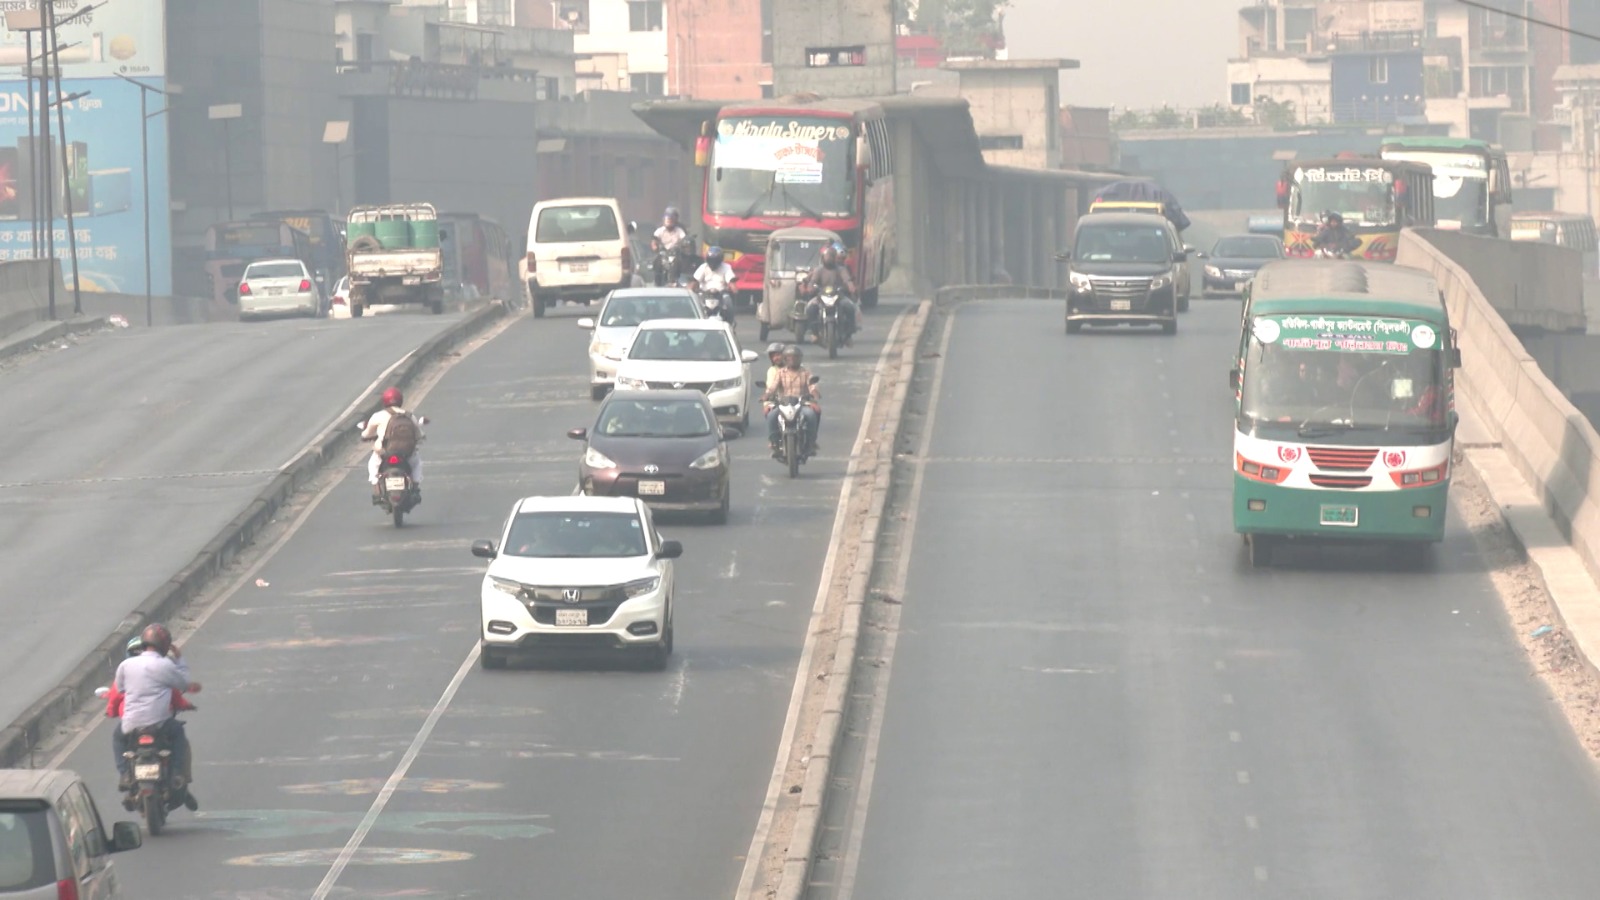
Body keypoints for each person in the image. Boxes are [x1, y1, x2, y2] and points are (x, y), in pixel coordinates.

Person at [113, 624, 201, 809]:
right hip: (159, 724)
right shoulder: (165, 665)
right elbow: (182, 683)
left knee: (117, 737)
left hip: (131, 725)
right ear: (163, 645)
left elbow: (120, 688)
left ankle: (125, 774)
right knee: (178, 734)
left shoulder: (125, 665)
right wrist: (180, 660)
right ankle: (177, 773)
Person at [361, 387, 425, 502]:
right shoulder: (409, 416)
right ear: (400, 400)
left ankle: (376, 487)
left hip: (384, 451)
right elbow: (419, 435)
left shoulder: (378, 416)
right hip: (406, 453)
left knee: (373, 464)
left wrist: (365, 436)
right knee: (416, 463)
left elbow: (366, 434)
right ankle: (415, 488)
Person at [763, 345, 821, 457]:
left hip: (802, 403)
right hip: (783, 403)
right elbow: (772, 387)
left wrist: (814, 392)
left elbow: (812, 385)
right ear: (785, 359)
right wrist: (766, 395)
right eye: (789, 358)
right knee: (771, 416)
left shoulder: (806, 372)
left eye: (795, 357)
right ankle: (774, 442)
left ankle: (810, 442)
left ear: (800, 359)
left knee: (811, 415)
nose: (792, 360)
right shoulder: (780, 373)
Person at [799, 244, 859, 345]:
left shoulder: (841, 269)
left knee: (850, 307)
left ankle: (848, 335)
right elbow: (812, 281)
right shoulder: (819, 270)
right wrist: (810, 287)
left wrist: (851, 287)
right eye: (828, 256)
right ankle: (814, 333)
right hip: (821, 297)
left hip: (839, 296)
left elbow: (847, 280)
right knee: (810, 308)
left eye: (832, 256)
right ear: (824, 258)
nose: (829, 259)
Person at [692, 247, 738, 324]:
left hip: (721, 293)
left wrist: (734, 288)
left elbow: (731, 281)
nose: (713, 263)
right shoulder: (703, 267)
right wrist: (691, 291)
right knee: (695, 304)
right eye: (711, 261)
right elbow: (695, 281)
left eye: (715, 261)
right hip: (704, 293)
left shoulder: (726, 267)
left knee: (728, 301)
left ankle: (730, 322)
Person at [652, 208, 690, 284]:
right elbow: (654, 242)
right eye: (668, 219)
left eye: (671, 219)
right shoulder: (660, 231)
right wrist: (655, 247)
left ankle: (674, 280)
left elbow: (685, 241)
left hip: (675, 254)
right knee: (656, 262)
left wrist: (684, 246)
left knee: (679, 263)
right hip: (663, 253)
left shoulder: (679, 231)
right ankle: (657, 281)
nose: (669, 221)